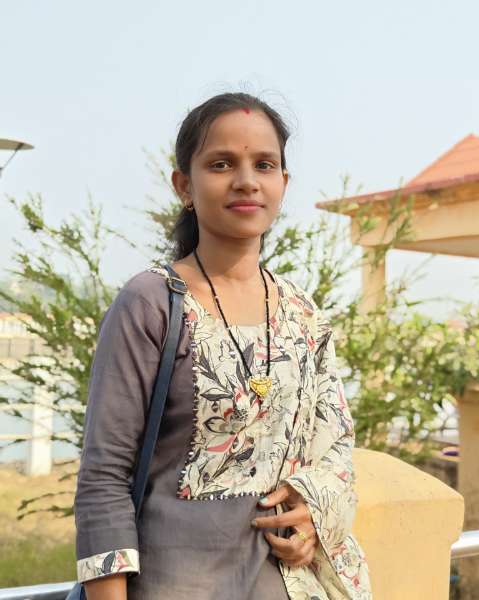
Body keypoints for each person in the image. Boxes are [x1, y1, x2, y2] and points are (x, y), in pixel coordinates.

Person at [73, 92, 372, 600]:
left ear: (283, 184)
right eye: (221, 164)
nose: (246, 180)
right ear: (184, 186)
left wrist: (313, 515)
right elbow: (104, 479)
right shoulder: (151, 303)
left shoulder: (303, 314)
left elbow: (336, 449)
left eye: (264, 165)